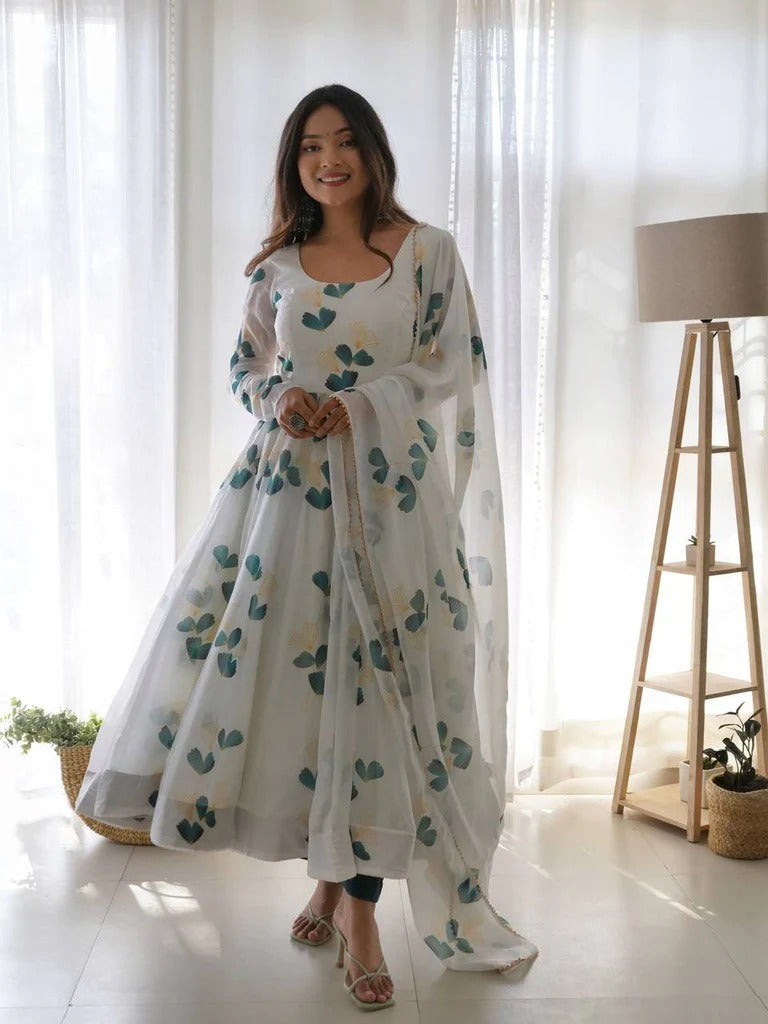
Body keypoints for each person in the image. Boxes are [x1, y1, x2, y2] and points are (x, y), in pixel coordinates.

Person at [75, 83, 538, 1012]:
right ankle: (327, 879)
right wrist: (281, 398)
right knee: (309, 688)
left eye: (345, 142)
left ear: (373, 152)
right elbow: (246, 365)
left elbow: (450, 363)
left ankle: (360, 915)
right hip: (285, 502)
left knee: (380, 695)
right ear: (295, 163)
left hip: (392, 505)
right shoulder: (278, 264)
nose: (329, 160)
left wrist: (360, 404)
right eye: (310, 147)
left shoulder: (426, 253)